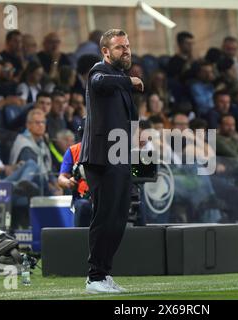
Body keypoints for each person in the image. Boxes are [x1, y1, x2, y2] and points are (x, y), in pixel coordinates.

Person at [79, 29, 143, 294]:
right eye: (119, 47)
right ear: (106, 51)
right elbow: (98, 82)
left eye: (127, 46)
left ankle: (103, 274)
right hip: (101, 158)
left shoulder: (120, 77)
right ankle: (94, 277)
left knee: (117, 219)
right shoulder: (100, 71)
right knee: (105, 217)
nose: (126, 51)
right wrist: (131, 83)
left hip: (120, 155)